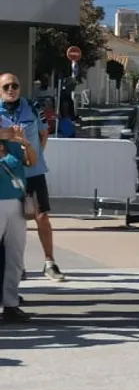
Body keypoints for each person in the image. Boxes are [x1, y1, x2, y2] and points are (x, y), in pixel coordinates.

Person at [0, 74, 65, 282]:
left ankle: (49, 262)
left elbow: (43, 134)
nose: (11, 89)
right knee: (11, 222)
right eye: (6, 86)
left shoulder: (32, 106)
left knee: (41, 216)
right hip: (7, 175)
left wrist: (33, 158)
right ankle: (16, 266)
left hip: (33, 172)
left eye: (15, 85)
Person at [0, 123, 36, 321]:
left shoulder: (12, 144)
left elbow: (32, 161)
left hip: (16, 205)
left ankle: (11, 304)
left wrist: (25, 143)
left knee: (15, 256)